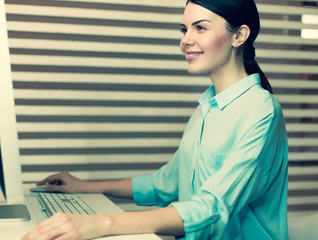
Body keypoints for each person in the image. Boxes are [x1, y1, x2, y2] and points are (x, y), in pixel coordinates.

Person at [23, 0, 288, 239]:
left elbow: (211, 208)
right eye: (184, 29)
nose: (186, 40)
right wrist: (84, 187)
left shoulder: (262, 109)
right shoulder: (205, 109)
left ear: (239, 35)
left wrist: (96, 224)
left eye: (200, 28)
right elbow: (165, 185)